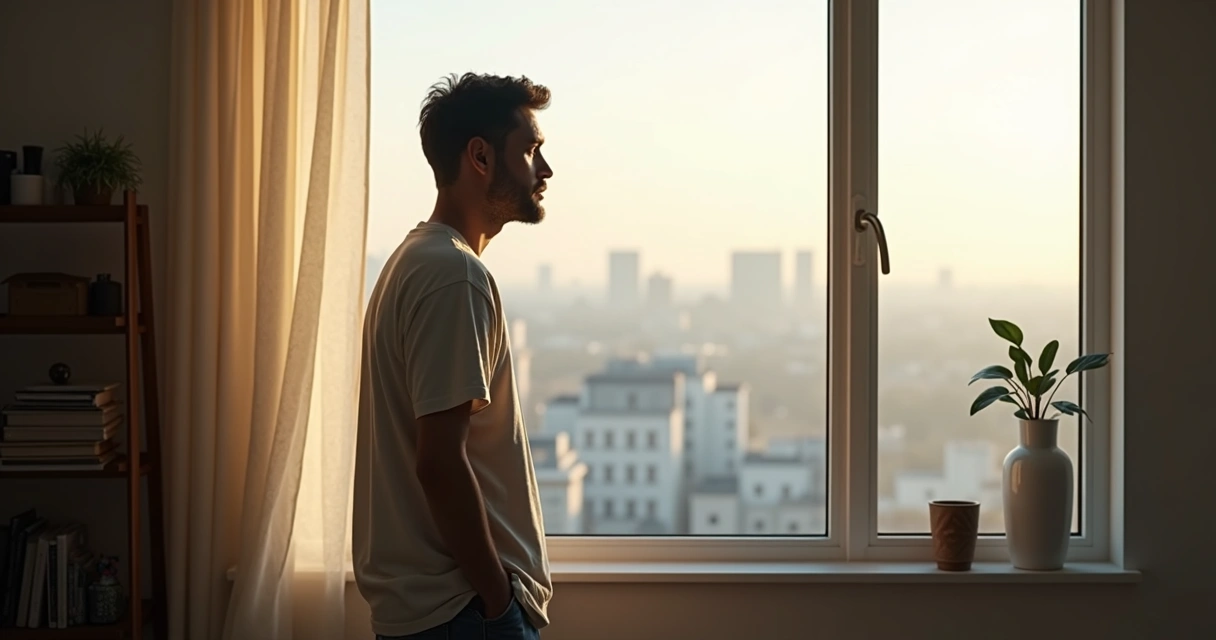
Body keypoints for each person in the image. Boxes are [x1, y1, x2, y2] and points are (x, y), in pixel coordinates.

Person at [353, 72, 555, 640]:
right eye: (530, 150)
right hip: (461, 613)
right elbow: (439, 463)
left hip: (446, 612)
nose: (545, 170)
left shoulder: (416, 259)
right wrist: (497, 602)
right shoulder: (452, 274)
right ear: (481, 157)